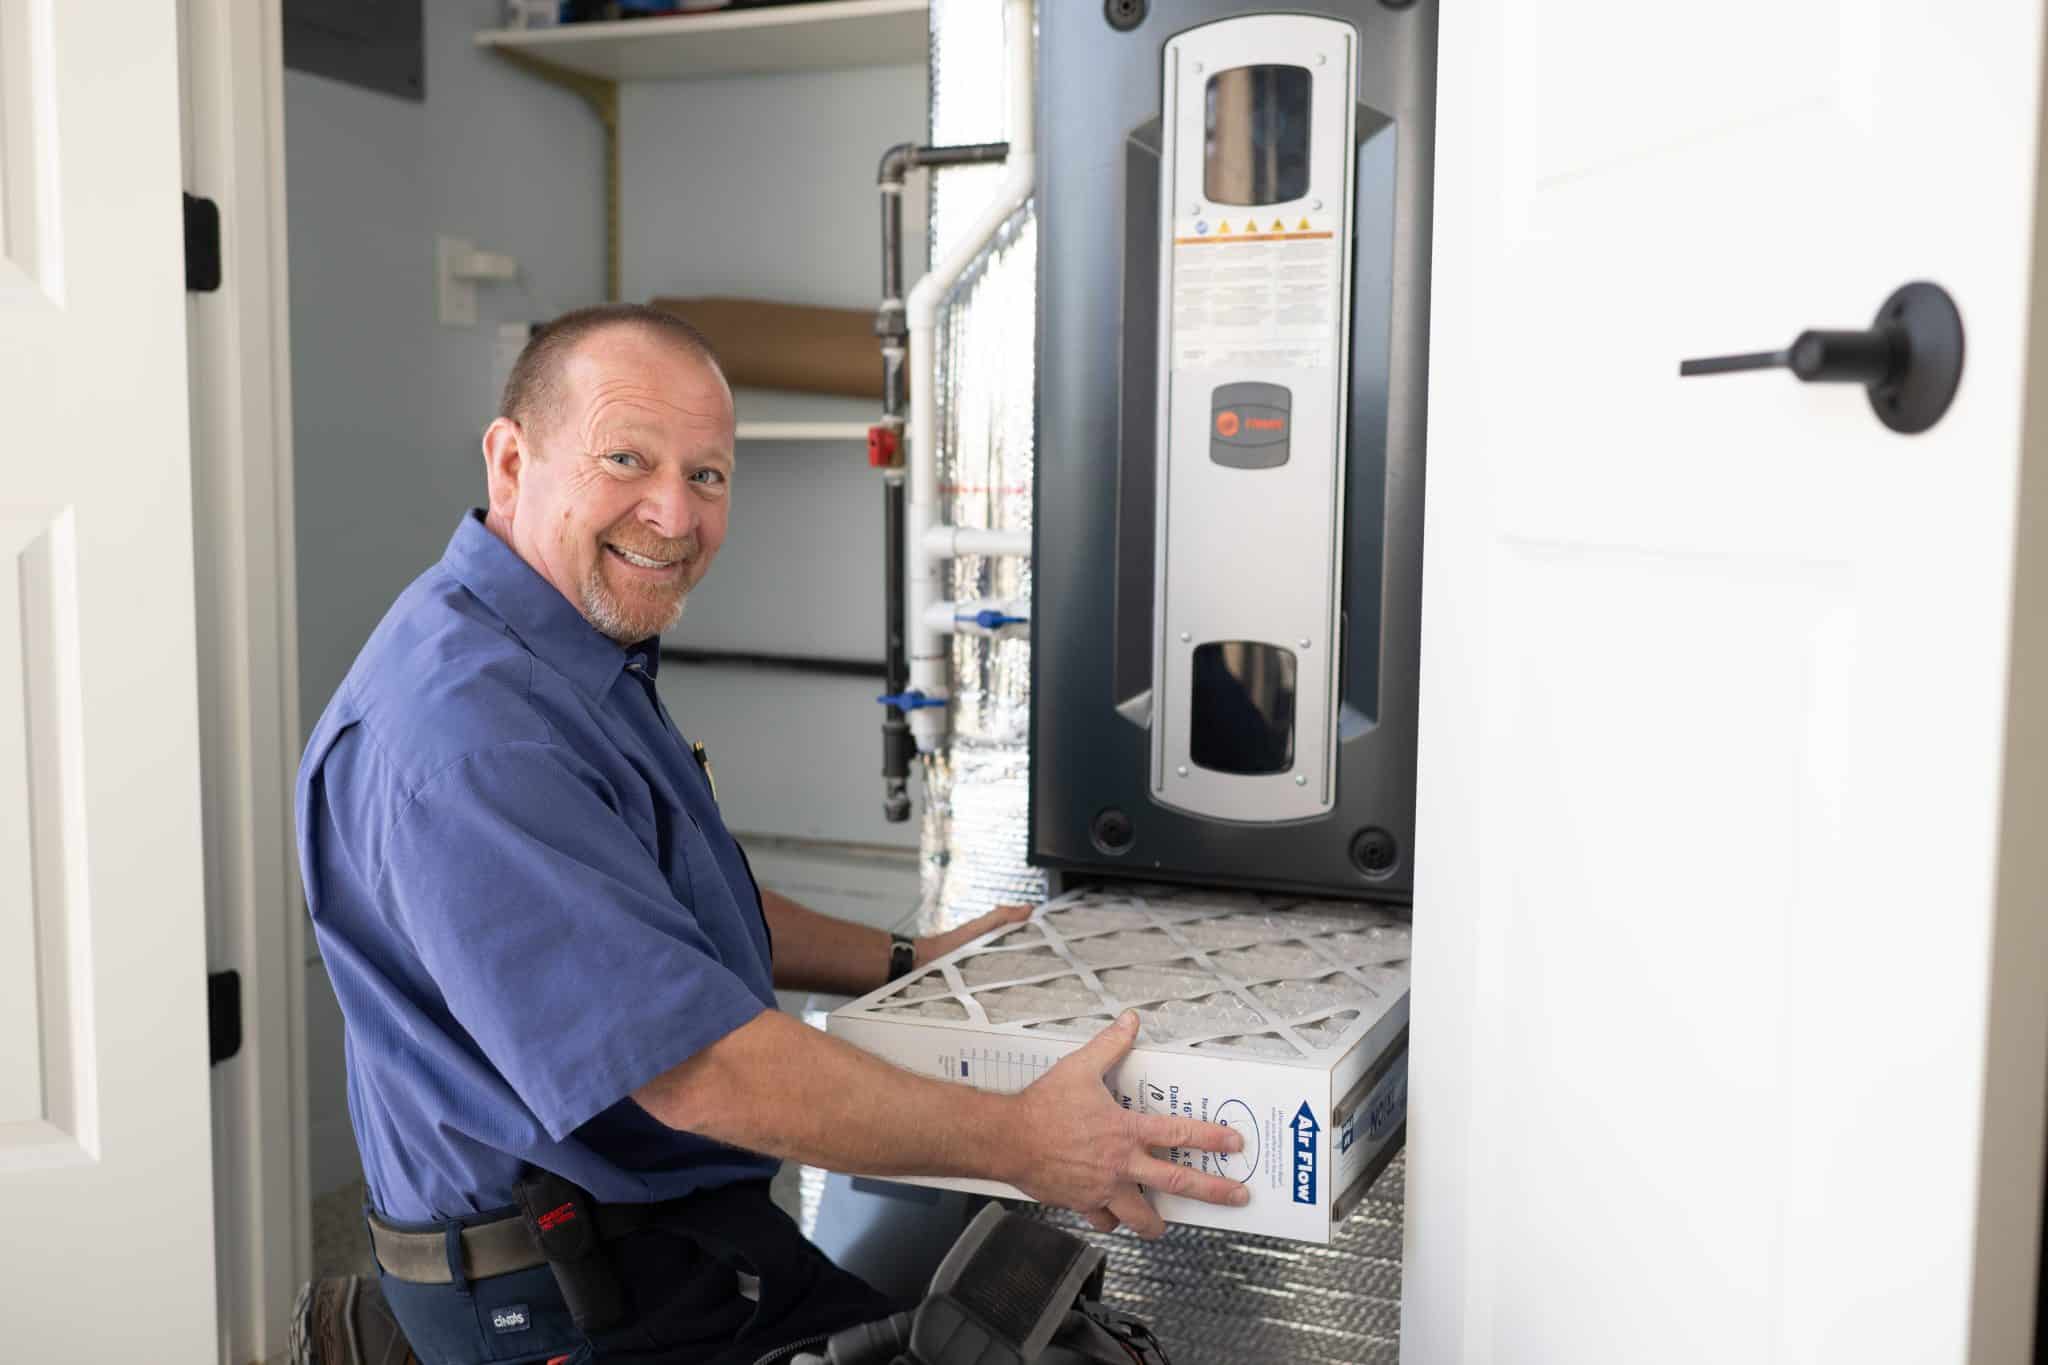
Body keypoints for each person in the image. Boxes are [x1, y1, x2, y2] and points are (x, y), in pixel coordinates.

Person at [296, 303, 1247, 1365]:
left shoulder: (559, 650)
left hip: (684, 1246)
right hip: (580, 1309)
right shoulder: (469, 734)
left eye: (707, 475)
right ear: (511, 461)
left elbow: (667, 911)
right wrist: (1025, 1142)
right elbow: (698, 1070)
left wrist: (908, 960)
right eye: (627, 459)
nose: (673, 514)